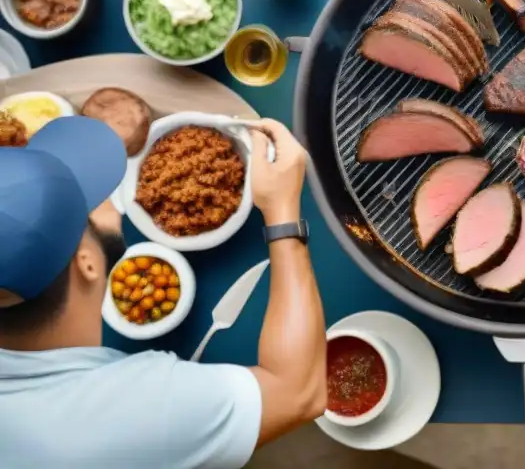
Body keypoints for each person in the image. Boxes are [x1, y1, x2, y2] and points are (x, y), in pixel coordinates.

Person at [0, 116, 326, 468]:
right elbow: (300, 392)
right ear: (86, 262)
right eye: (86, 195)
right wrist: (281, 207)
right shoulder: (128, 412)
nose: (106, 194)